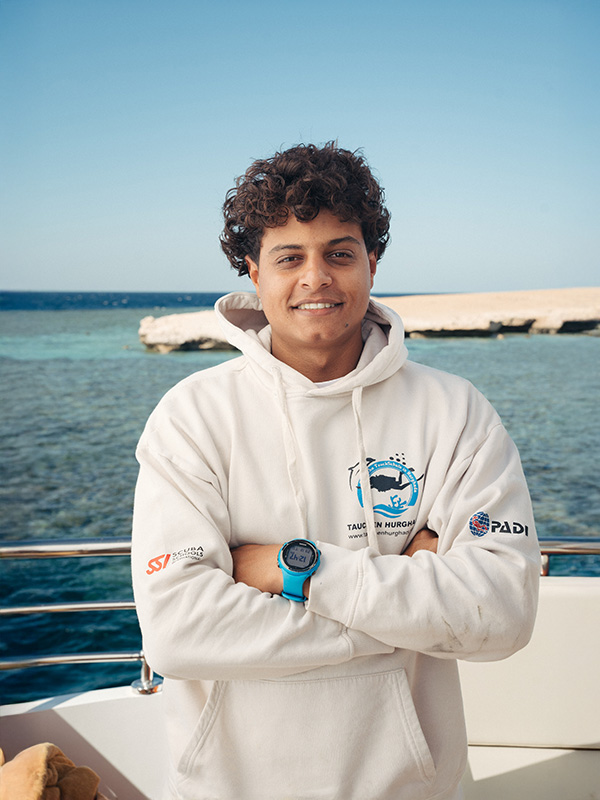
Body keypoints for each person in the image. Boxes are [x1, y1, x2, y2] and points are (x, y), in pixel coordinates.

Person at [131, 142, 540, 800]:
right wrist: (405, 608)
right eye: (289, 257)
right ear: (254, 273)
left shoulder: (455, 412)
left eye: (340, 254)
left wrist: (292, 570)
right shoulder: (192, 417)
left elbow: (502, 611)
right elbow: (179, 634)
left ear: (372, 263)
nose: (315, 278)